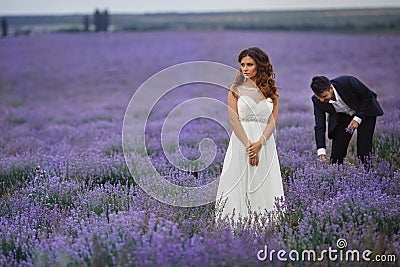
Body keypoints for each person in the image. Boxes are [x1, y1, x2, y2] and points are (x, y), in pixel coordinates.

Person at [215, 47, 285, 224]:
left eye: (250, 64)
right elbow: (233, 120)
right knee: (239, 182)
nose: (245, 68)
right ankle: (237, 223)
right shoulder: (235, 88)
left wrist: (260, 143)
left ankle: (266, 224)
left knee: (264, 182)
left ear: (259, 66)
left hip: (265, 143)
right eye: (242, 64)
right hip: (241, 141)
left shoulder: (271, 90)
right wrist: (249, 146)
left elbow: (273, 120)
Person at [310, 75, 384, 167]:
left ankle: (368, 174)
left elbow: (368, 96)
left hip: (364, 111)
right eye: (318, 97)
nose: (322, 100)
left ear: (331, 88)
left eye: (324, 96)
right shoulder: (317, 101)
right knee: (336, 155)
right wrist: (321, 151)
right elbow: (319, 126)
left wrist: (357, 119)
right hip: (343, 115)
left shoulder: (348, 82)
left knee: (364, 151)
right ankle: (336, 175)